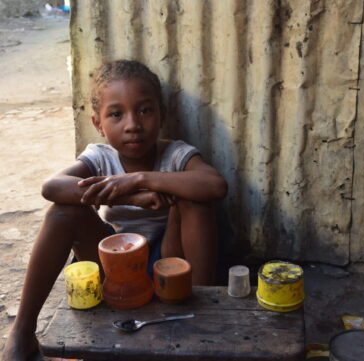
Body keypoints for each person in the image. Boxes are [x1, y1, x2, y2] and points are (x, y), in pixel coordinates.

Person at [2, 59, 228, 361]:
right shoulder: (99, 157)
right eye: (116, 114)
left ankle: (200, 321)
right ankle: (22, 331)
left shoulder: (175, 154)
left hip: (170, 264)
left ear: (162, 114)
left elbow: (215, 185)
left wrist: (139, 179)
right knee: (61, 212)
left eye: (145, 110)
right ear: (98, 124)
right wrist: (129, 197)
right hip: (116, 265)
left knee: (194, 201)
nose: (133, 124)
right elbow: (52, 186)